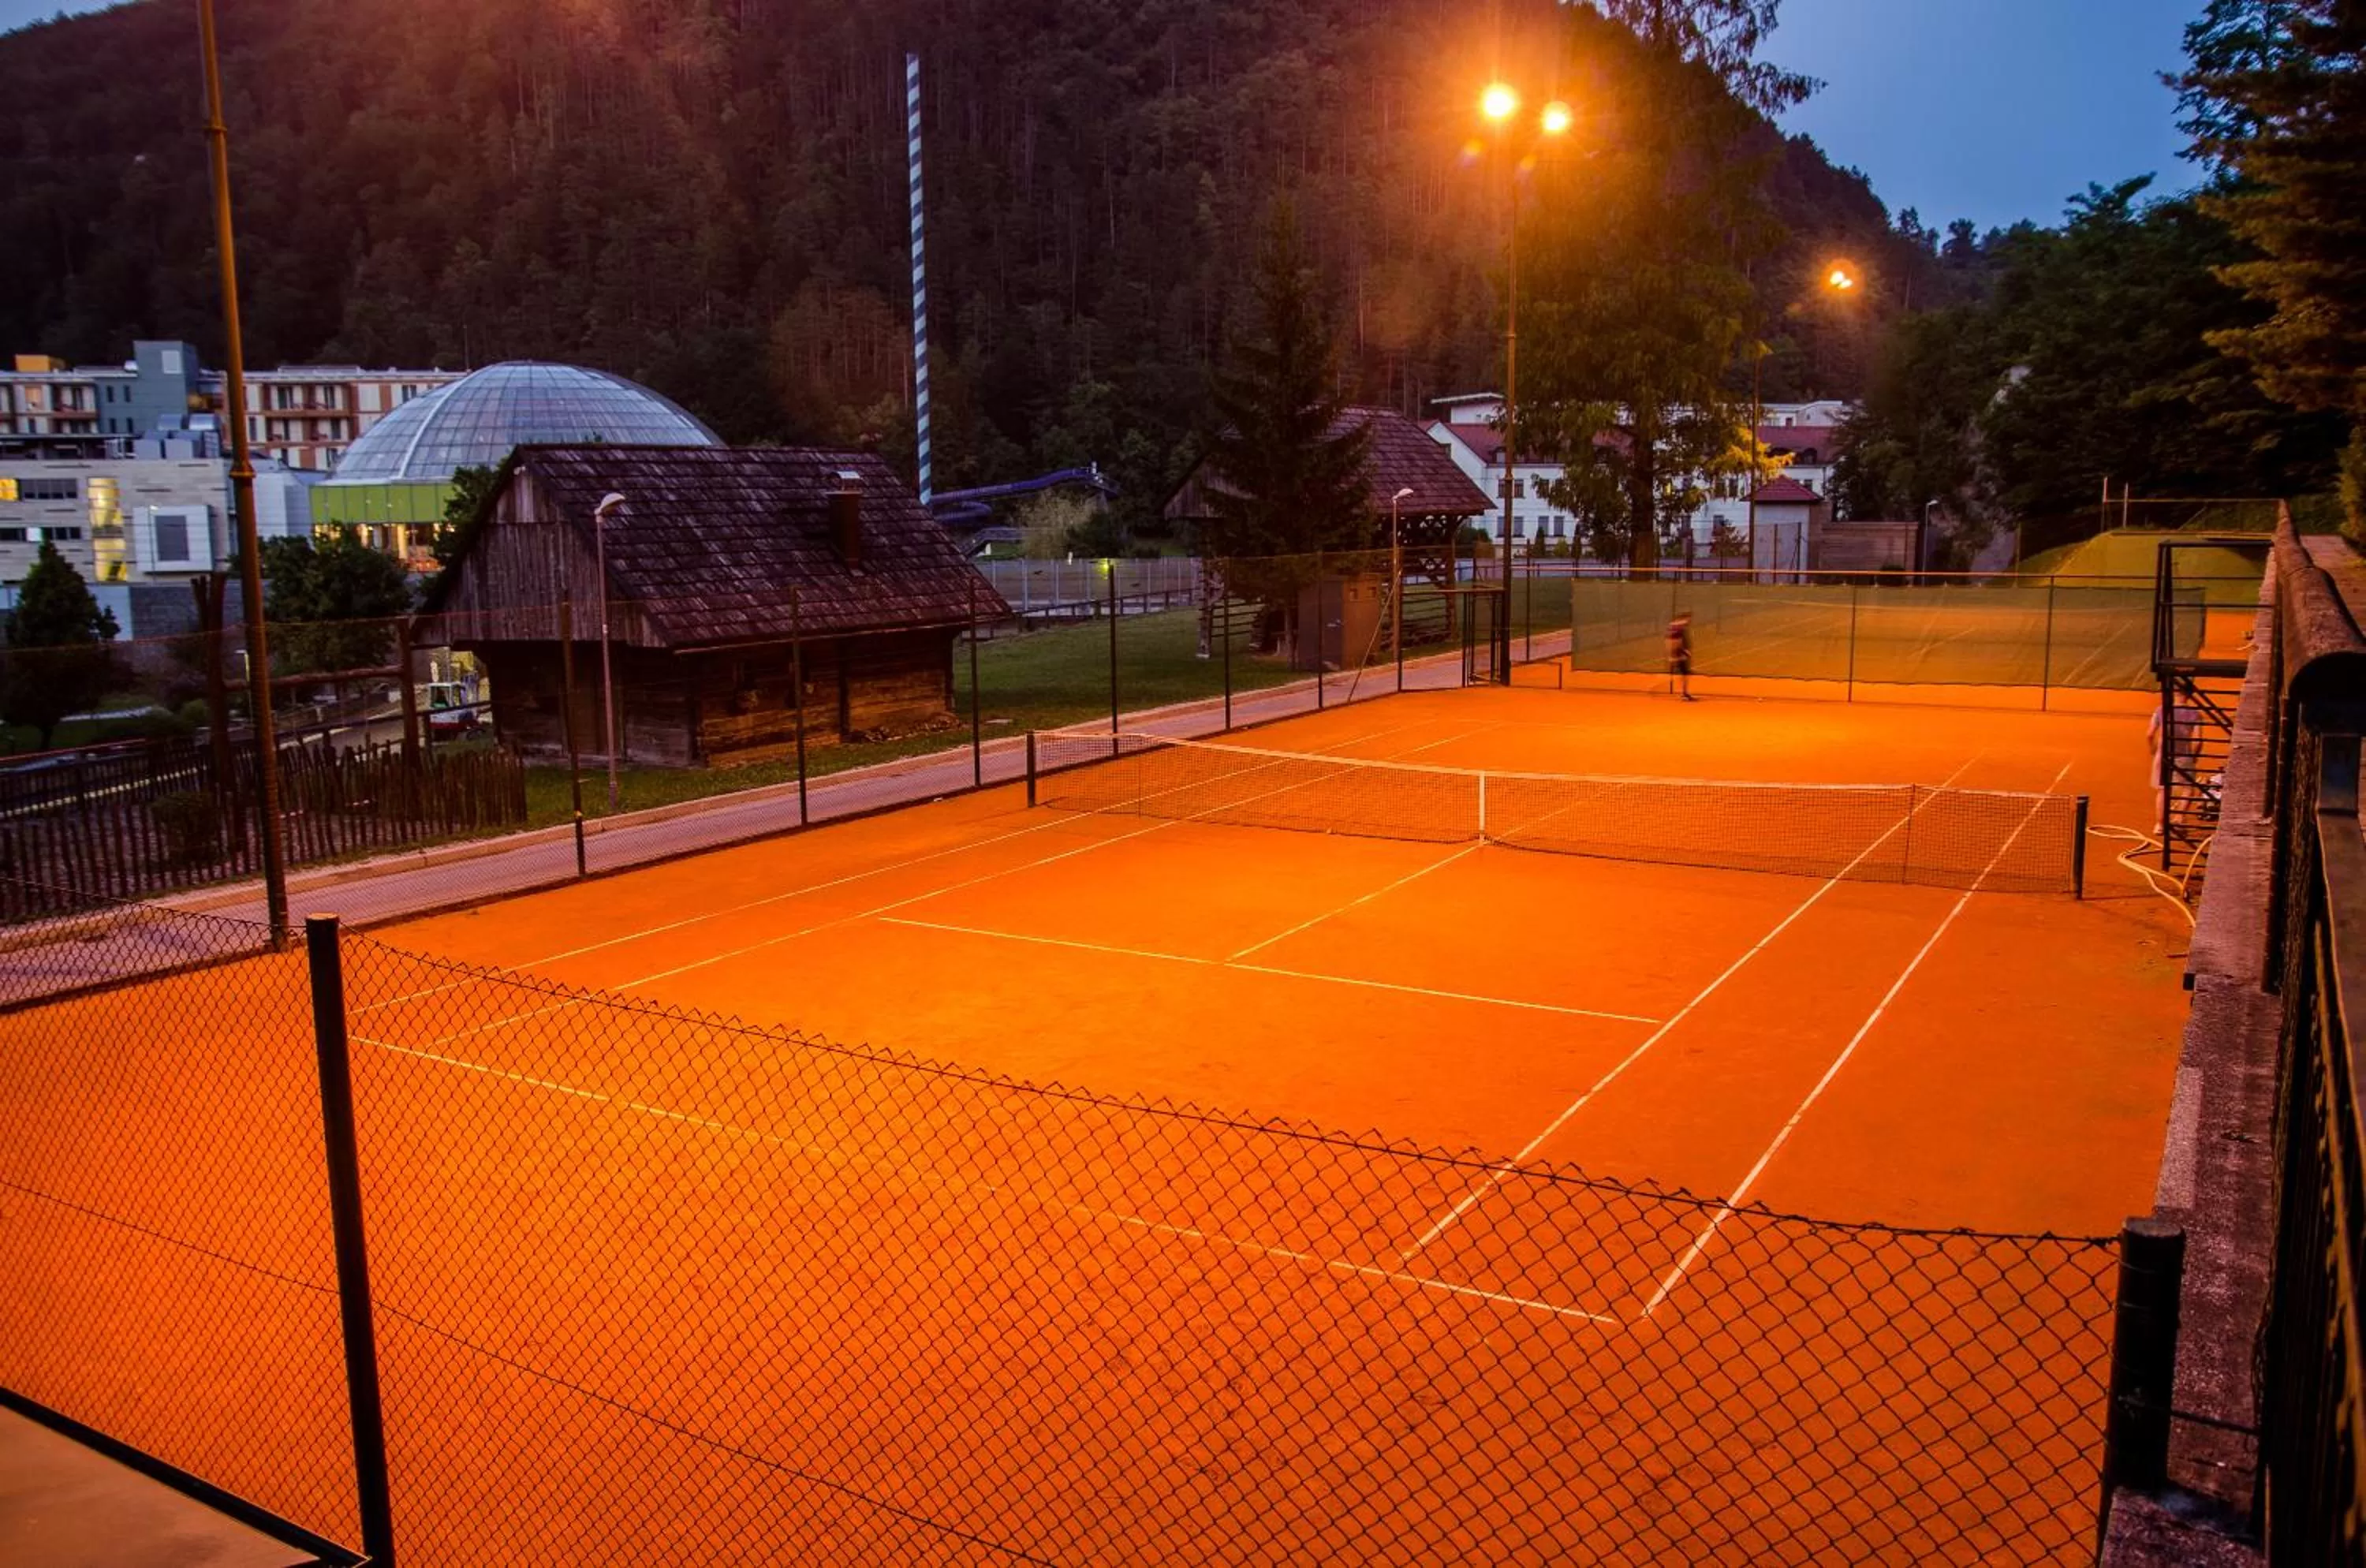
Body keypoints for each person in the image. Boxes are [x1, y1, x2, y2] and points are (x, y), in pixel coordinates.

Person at [1666, 610, 1696, 701]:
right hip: (1680, 655)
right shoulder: (1679, 627)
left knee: (1685, 674)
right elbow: (1676, 642)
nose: (1689, 620)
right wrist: (1683, 652)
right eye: (1688, 618)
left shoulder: (1675, 626)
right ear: (1685, 618)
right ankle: (1684, 693)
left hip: (1679, 654)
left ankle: (1684, 692)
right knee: (1685, 674)